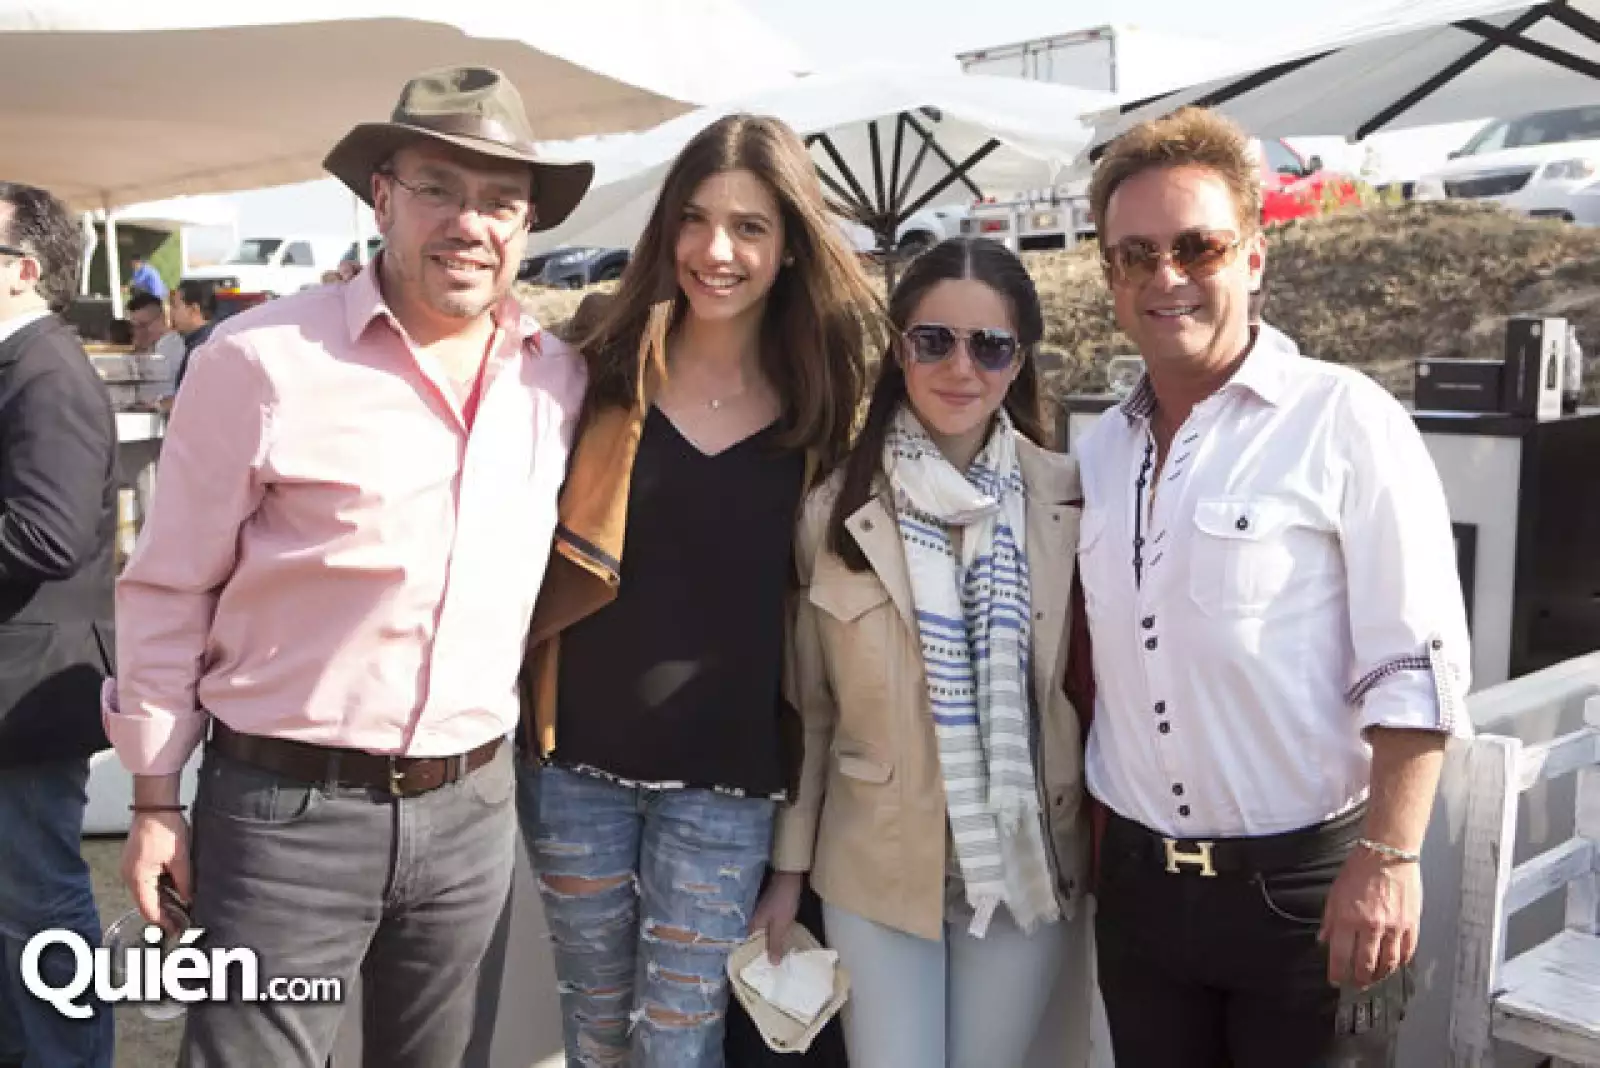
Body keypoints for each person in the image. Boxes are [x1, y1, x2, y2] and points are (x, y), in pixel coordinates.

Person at [103, 65, 594, 1068]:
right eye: (437, 189)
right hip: (285, 819)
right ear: (381, 196)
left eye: (501, 201)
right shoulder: (258, 361)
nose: (471, 223)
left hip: (473, 813)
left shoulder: (561, 378)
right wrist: (153, 800)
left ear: (528, 223)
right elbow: (166, 587)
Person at [1075, 106, 1472, 1067]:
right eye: (1135, 257)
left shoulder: (1346, 420)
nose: (1166, 277)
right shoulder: (1099, 448)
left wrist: (1388, 860)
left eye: (1197, 247)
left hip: (1306, 897)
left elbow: (1414, 660)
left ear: (1254, 258)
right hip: (1138, 895)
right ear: (1111, 282)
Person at [517, 112, 882, 1067]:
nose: (716, 250)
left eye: (751, 226)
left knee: (682, 1048)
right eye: (695, 219)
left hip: (727, 789)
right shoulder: (599, 359)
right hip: (575, 774)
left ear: (793, 246)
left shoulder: (830, 399)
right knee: (596, 1042)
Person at [749, 236, 1093, 1068]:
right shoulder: (834, 515)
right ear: (900, 351)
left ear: (1020, 361)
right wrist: (787, 873)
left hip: (1024, 865)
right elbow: (811, 713)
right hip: (875, 870)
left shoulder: (1073, 500)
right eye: (933, 340)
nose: (960, 367)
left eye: (991, 345)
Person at [0, 180, 118, 1068]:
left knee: (38, 906)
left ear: (23, 270)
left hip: (28, 695)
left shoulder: (48, 372)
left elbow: (47, 531)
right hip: (20, 686)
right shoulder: (26, 364)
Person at [166, 278, 216, 396]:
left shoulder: (201, 347)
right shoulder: (209, 338)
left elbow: (193, 397)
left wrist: (159, 404)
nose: (171, 313)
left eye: (175, 306)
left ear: (193, 309)